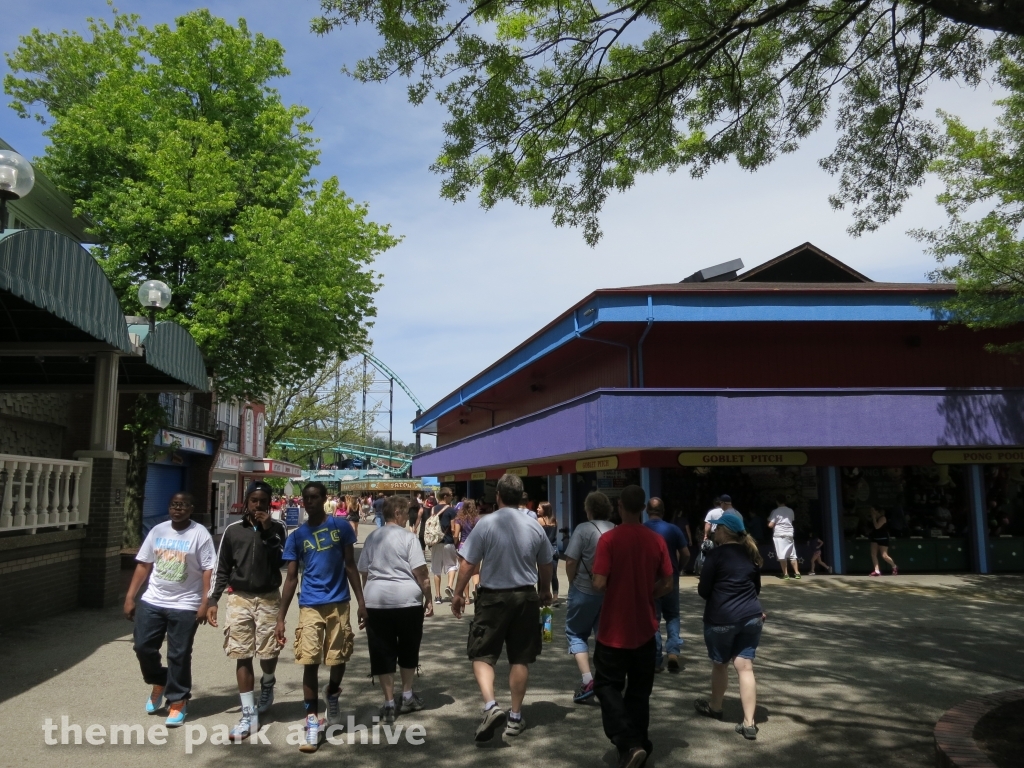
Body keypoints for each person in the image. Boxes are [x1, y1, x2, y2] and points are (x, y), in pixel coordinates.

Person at [451, 473, 553, 742]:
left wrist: (458, 593)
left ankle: (490, 705)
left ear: (497, 496)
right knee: (520, 658)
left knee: (482, 654)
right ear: (521, 497)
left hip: (493, 599)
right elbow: (546, 563)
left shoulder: (487, 524)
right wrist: (545, 589)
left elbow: (467, 563)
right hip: (525, 598)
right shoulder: (534, 526)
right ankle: (516, 717)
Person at [275, 481, 366, 753]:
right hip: (310, 605)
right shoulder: (297, 536)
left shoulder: (341, 528)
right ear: (302, 501)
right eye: (306, 498)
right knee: (310, 660)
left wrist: (362, 602)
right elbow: (291, 578)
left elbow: (350, 566)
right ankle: (312, 720)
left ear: (325, 499)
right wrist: (281, 617)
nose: (310, 502)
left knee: (338, 658)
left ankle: (333, 692)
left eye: (315, 497)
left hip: (339, 603)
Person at [591, 485, 674, 768]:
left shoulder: (609, 540)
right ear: (642, 509)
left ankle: (627, 741)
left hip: (614, 628)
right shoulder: (655, 541)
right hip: (645, 629)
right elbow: (668, 582)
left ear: (619, 506)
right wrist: (649, 593)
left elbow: (600, 583)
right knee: (639, 693)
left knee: (606, 686)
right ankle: (639, 743)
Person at [124, 492, 215, 728]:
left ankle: (178, 700)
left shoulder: (199, 534)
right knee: (142, 645)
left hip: (186, 603)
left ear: (191, 508)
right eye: (174, 504)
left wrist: (205, 602)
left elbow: (208, 570)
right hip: (153, 599)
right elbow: (144, 564)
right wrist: (130, 597)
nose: (178, 509)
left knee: (179, 653)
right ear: (169, 507)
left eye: (183, 505)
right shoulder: (158, 531)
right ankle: (160, 680)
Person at [207, 481, 287, 741]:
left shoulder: (278, 528)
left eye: (263, 501)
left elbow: (281, 562)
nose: (258, 505)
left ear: (269, 503)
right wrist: (212, 600)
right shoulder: (232, 531)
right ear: (246, 502)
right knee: (242, 653)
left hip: (268, 597)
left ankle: (268, 682)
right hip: (239, 597)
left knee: (268, 652)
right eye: (254, 500)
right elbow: (222, 569)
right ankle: (248, 714)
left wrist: (266, 530)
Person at [358, 496, 433, 724]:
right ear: (399, 514)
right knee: (408, 648)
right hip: (407, 602)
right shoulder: (409, 538)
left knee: (382, 651)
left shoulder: (372, 537)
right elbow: (421, 574)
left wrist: (364, 601)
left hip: (377, 601)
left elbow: (364, 571)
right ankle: (407, 694)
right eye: (406, 513)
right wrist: (428, 598)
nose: (408, 517)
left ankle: (389, 702)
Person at [693, 511, 766, 741]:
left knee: (720, 664)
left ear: (724, 531)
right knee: (745, 667)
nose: (714, 531)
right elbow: (756, 589)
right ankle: (749, 723)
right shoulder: (751, 553)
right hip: (752, 617)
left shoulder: (716, 555)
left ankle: (715, 707)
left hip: (721, 620)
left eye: (717, 528)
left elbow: (703, 591)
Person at [562, 491, 615, 702]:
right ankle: (606, 679)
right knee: (604, 635)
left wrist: (572, 580)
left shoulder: (583, 529)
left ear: (589, 509)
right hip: (608, 592)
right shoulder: (615, 529)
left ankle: (587, 680)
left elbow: (571, 560)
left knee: (576, 633)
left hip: (583, 589)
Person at [644, 497, 687, 673]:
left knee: (653, 618)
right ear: (663, 511)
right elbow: (685, 554)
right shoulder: (674, 530)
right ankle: (673, 653)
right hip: (671, 579)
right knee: (672, 616)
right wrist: (679, 568)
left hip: (650, 581)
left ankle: (655, 659)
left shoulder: (643, 529)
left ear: (647, 511)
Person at [452, 499, 480, 601]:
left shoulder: (459, 519)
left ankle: (467, 598)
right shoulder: (477, 519)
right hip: (475, 546)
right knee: (476, 572)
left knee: (464, 572)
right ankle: (475, 588)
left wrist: (456, 544)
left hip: (463, 546)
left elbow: (456, 535)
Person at [768, 496, 800, 580]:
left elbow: (771, 525)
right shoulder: (790, 510)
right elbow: (791, 520)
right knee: (792, 554)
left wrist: (768, 522)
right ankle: (797, 573)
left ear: (777, 502)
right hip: (789, 533)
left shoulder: (775, 511)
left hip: (779, 535)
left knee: (782, 555)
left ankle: (786, 574)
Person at [437, 488, 461, 599]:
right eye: (451, 495)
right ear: (445, 496)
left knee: (436, 569)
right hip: (448, 542)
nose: (452, 497)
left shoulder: (433, 509)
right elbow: (453, 529)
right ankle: (449, 586)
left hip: (436, 542)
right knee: (452, 566)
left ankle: (437, 596)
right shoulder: (451, 510)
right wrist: (456, 541)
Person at [537, 501, 560, 603]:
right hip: (554, 549)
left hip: (544, 550)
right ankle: (555, 595)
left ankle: (540, 594)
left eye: (539, 508)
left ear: (545, 509)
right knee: (554, 574)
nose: (537, 509)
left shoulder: (539, 521)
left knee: (540, 574)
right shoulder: (555, 521)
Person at [869, 506, 899, 576]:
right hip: (874, 537)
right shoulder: (873, 518)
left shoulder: (882, 518)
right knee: (873, 554)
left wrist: (873, 518)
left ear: (877, 511)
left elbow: (877, 526)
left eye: (873, 511)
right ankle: (876, 570)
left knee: (884, 555)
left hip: (883, 538)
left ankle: (894, 566)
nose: (871, 512)